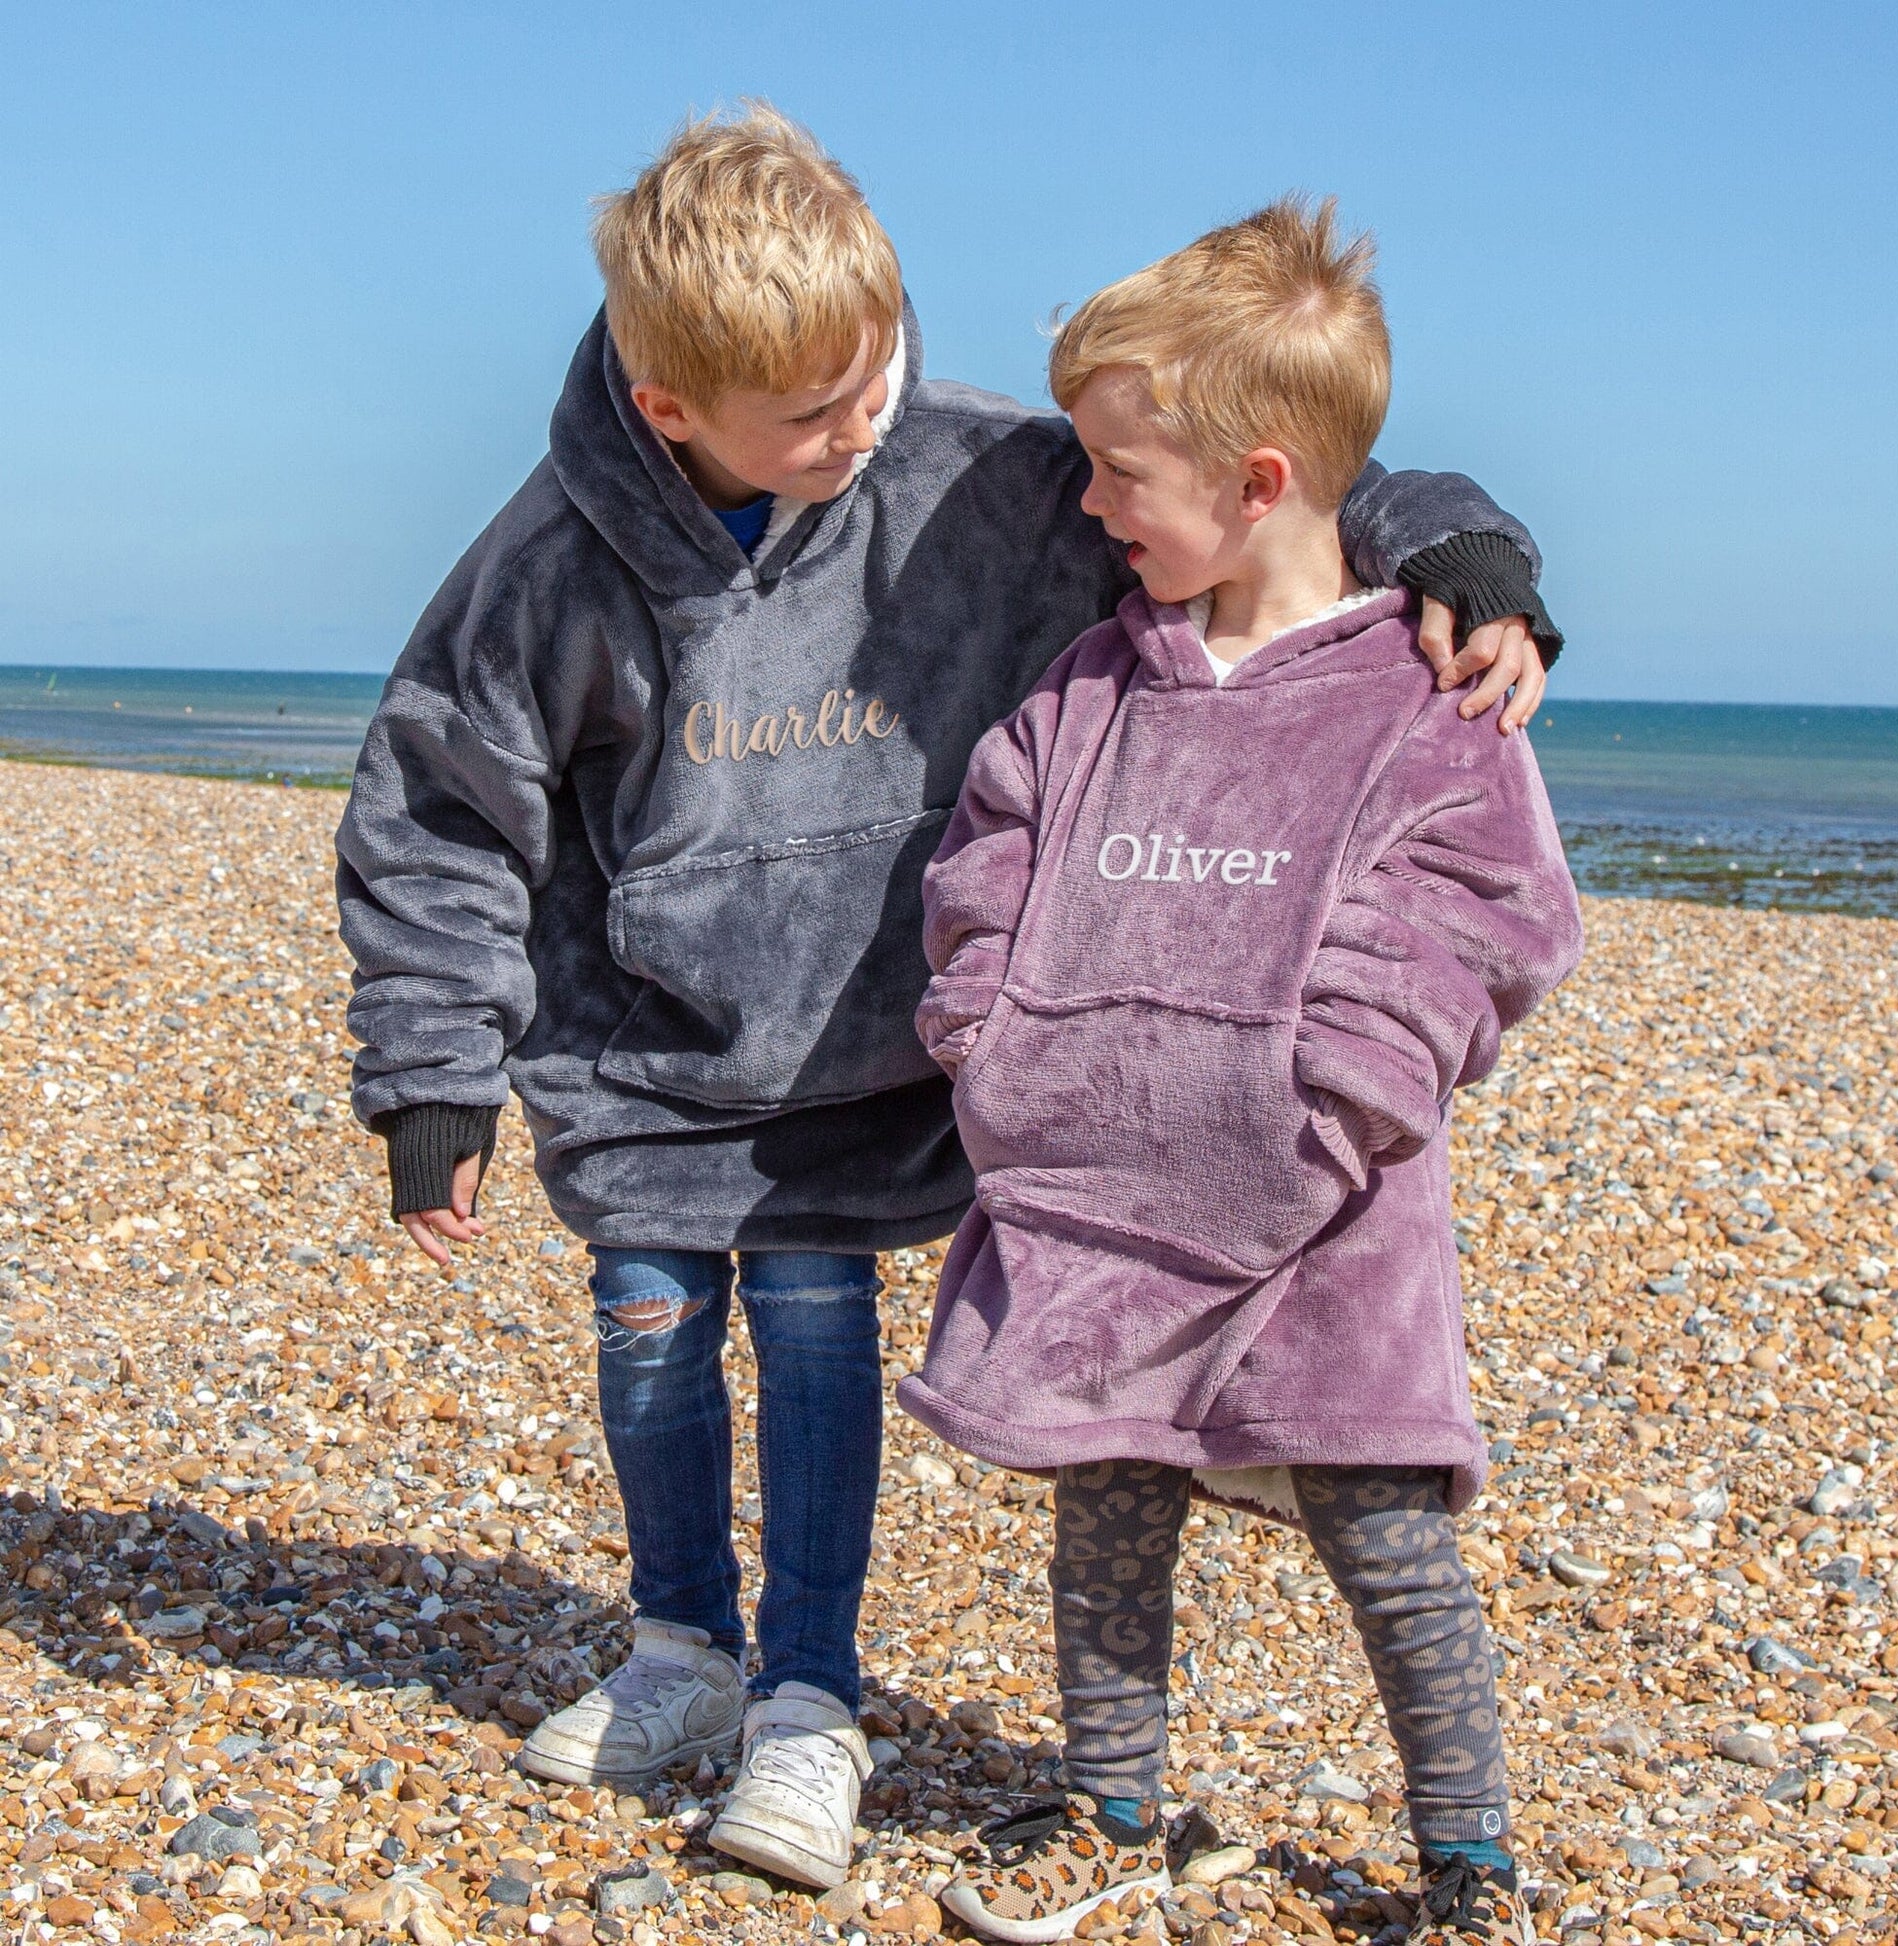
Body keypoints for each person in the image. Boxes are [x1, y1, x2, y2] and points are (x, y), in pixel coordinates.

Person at [336, 106, 1562, 1893]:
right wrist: (427, 1067)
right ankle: (679, 1648)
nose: (869, 425)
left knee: (819, 1328)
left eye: (880, 372)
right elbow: (446, 801)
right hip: (643, 1050)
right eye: (821, 414)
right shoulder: (549, 565)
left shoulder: (977, 465)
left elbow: (1282, 466)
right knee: (650, 1331)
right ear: (669, 404)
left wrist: (1467, 549)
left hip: (863, 1057)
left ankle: (812, 1699)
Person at [899, 198, 1583, 1944]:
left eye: (1122, 473)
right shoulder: (1095, 681)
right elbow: (991, 855)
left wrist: (1329, 1097)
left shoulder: (1418, 697)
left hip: (1327, 1218)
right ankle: (1105, 1797)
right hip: (1097, 1193)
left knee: (1382, 1526)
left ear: (1259, 481)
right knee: (1111, 1500)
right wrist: (990, 1038)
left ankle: (1467, 1857)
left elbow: (1482, 911)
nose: (1090, 503)